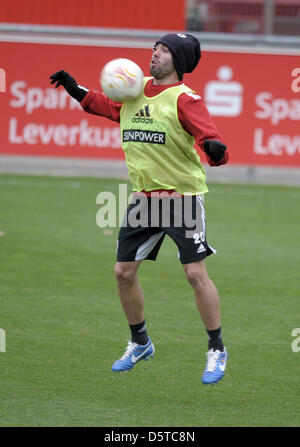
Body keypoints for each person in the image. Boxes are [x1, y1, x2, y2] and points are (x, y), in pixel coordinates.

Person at [50, 33, 229, 384]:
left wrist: (217, 151)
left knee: (195, 274)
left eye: (163, 50)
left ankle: (216, 348)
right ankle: (139, 342)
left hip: (182, 198)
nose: (155, 54)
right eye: (155, 48)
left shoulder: (185, 99)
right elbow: (108, 106)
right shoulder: (134, 86)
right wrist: (76, 89)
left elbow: (211, 143)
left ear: (178, 60)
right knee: (123, 272)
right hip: (144, 198)